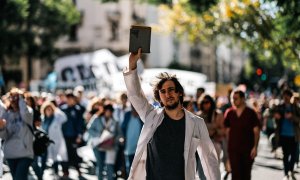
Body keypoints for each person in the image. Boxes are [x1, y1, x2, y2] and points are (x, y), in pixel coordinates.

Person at [123, 48, 220, 180]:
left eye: (171, 90)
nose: (167, 94)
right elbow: (135, 94)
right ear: (159, 96)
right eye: (163, 91)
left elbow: (209, 158)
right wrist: (132, 64)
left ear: (179, 92)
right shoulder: (151, 115)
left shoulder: (196, 122)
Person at [224, 90, 260, 180]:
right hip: (233, 150)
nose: (233, 100)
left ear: (243, 99)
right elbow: (227, 132)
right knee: (235, 175)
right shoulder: (229, 113)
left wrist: (255, 147)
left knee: (246, 175)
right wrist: (227, 150)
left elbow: (256, 131)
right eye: (232, 98)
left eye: (236, 98)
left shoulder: (251, 113)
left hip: (247, 150)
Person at [0, 88, 34, 180]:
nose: (13, 100)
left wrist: (21, 100)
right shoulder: (6, 114)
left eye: (16, 97)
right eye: (11, 97)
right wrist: (2, 127)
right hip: (10, 154)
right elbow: (4, 136)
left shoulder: (29, 111)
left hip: (25, 153)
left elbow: (26, 116)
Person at [87, 103, 122, 180]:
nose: (108, 113)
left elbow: (119, 134)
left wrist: (114, 139)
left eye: (110, 111)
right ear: (104, 111)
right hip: (98, 145)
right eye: (107, 111)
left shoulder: (115, 122)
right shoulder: (97, 118)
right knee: (100, 165)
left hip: (111, 146)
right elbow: (89, 129)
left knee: (110, 166)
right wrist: (100, 134)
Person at [273, 89, 300, 180]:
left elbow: (299, 120)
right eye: (284, 96)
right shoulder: (280, 107)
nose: (285, 98)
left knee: (294, 155)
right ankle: (286, 173)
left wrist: (292, 117)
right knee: (285, 155)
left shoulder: (295, 107)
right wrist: (277, 117)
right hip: (283, 135)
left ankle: (290, 170)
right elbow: (273, 115)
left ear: (290, 96)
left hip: (294, 135)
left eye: (287, 96)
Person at [40, 101, 68, 179]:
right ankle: (40, 175)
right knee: (43, 159)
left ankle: (56, 173)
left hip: (55, 141)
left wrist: (57, 109)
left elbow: (65, 117)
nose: (49, 111)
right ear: (44, 110)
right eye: (47, 109)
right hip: (45, 142)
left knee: (55, 158)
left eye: (50, 109)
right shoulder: (43, 119)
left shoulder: (57, 118)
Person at [121, 104, 143, 178]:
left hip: (139, 147)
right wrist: (122, 137)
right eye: (132, 106)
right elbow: (122, 127)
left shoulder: (142, 116)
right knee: (130, 167)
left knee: (139, 168)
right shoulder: (127, 115)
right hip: (129, 146)